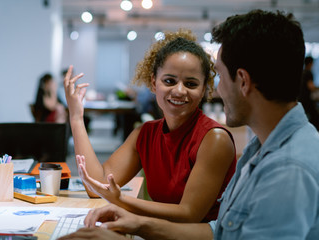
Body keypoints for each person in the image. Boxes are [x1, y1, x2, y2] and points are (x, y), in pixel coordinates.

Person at [59, 9, 319, 240]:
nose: (220, 89)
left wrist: (128, 211)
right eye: (169, 81)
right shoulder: (261, 149)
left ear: (242, 81)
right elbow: (219, 232)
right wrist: (138, 225)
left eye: (218, 77)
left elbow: (192, 216)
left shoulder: (288, 168)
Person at [64, 29, 237, 223]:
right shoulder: (145, 134)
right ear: (154, 83)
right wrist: (76, 118)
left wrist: (121, 201)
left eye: (191, 84)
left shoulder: (214, 138)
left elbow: (189, 214)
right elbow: (97, 185)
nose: (179, 91)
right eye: (169, 81)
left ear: (204, 89)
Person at [298, 56, 319, 130]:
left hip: (301, 99)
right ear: (311, 63)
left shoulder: (302, 72)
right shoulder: (308, 72)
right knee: (315, 117)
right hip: (307, 99)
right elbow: (311, 86)